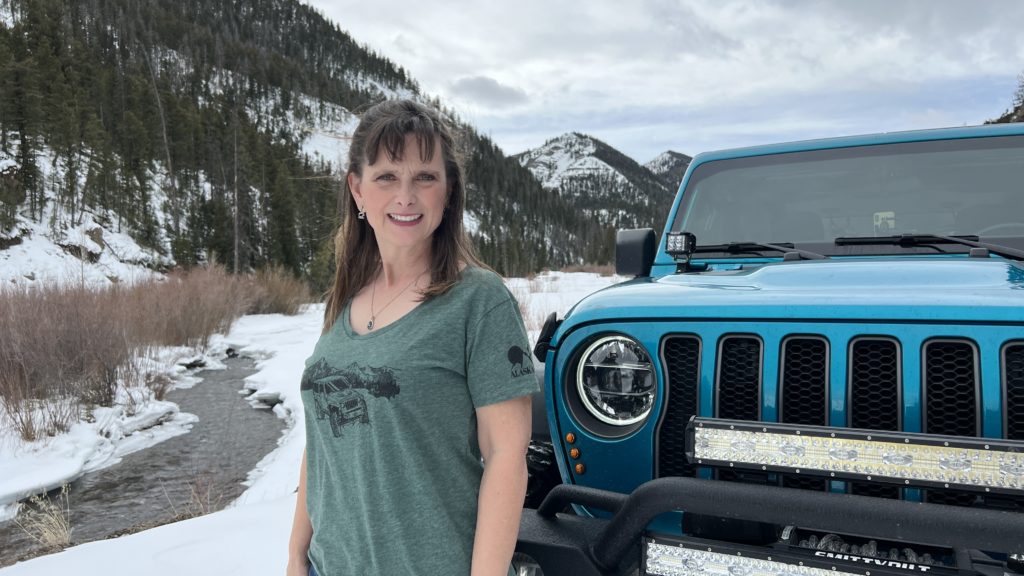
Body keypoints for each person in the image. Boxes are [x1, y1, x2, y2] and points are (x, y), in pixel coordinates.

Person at [286, 99, 538, 576]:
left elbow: (506, 456)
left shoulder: (479, 301)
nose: (406, 196)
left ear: (448, 192)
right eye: (386, 177)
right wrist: (297, 554)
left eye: (424, 177)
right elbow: (322, 443)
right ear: (357, 191)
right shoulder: (346, 299)